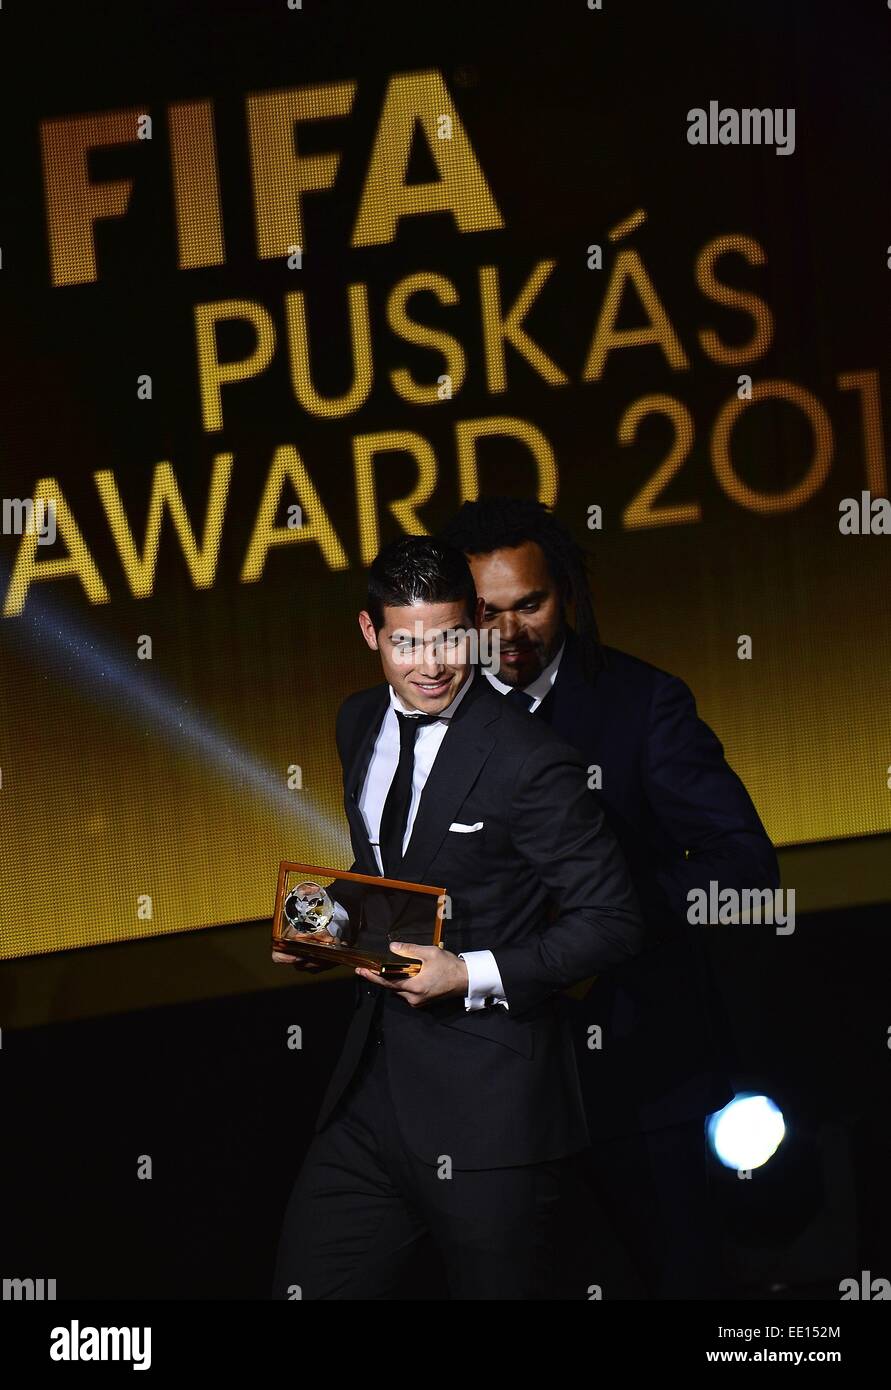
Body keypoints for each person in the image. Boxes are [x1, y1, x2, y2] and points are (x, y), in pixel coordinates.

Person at [272, 535, 644, 1300]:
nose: (431, 662)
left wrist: (468, 973)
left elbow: (612, 918)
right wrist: (330, 930)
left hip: (489, 1110)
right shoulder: (354, 723)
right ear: (370, 632)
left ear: (474, 623)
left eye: (447, 636)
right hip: (368, 1099)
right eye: (406, 640)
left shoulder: (529, 759)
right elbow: (405, 880)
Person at [439, 497, 780, 1298]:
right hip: (491, 1091)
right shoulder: (432, 718)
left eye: (530, 604)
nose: (509, 633)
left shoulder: (643, 703)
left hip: (641, 1074)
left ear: (569, 593)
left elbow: (745, 873)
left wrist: (603, 923)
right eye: (486, 612)